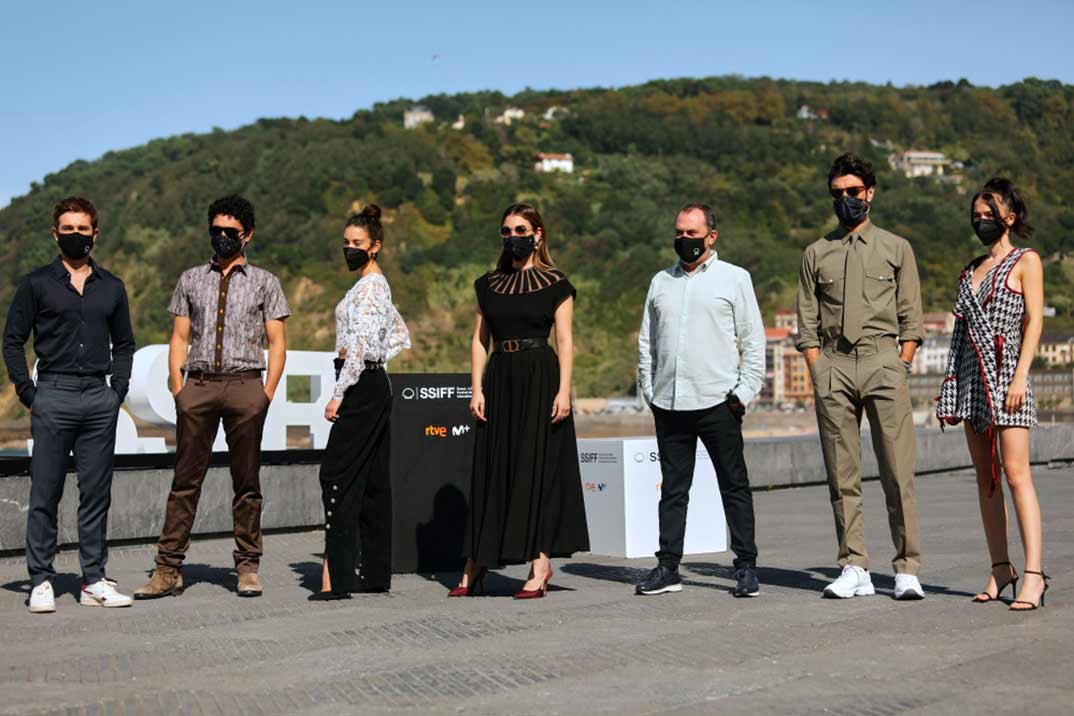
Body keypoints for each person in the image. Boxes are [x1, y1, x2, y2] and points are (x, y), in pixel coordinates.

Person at [134, 195, 290, 600]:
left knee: (247, 482)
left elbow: (277, 342)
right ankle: (168, 568)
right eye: (215, 231)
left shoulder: (265, 282)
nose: (221, 237)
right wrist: (178, 386)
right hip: (198, 386)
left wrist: (265, 393)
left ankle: (248, 566)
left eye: (230, 232)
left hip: (245, 388)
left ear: (247, 236)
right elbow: (180, 336)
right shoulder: (190, 279)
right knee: (185, 480)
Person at [796, 153, 926, 600]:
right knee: (841, 475)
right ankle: (854, 566)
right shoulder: (816, 252)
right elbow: (806, 322)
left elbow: (912, 317)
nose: (846, 200)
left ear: (870, 193)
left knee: (897, 470)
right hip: (834, 365)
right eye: (838, 194)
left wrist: (901, 362)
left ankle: (907, 567)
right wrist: (818, 368)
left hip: (883, 363)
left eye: (853, 192)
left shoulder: (896, 248)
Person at [3, 196, 136, 613]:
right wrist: (29, 391)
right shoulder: (37, 283)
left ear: (95, 234)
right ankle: (40, 579)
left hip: (99, 398)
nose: (75, 235)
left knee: (96, 494)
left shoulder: (112, 287)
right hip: (53, 395)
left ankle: (93, 578)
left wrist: (117, 390)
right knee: (46, 490)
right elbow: (12, 341)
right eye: (68, 229)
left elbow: (125, 344)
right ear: (55, 232)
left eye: (83, 229)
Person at [452, 203, 590, 599]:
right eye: (506, 230)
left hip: (539, 375)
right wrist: (476, 388)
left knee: (538, 467)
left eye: (520, 229)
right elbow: (480, 340)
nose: (513, 236)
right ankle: (476, 560)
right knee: (493, 466)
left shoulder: (556, 282)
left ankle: (540, 563)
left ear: (538, 234)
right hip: (500, 376)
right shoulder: (488, 284)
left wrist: (564, 391)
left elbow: (565, 340)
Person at [634, 203, 766, 598]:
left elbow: (753, 342)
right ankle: (668, 568)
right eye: (679, 232)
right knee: (673, 490)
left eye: (692, 233)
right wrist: (650, 389)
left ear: (711, 236)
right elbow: (647, 342)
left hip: (718, 403)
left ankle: (745, 567)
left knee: (734, 486)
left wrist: (742, 395)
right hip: (670, 404)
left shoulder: (735, 279)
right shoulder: (660, 282)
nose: (684, 240)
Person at [937, 178, 1049, 610]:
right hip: (970, 381)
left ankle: (1035, 574)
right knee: (987, 481)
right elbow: (959, 336)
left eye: (990, 214)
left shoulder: (1027, 261)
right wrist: (951, 389)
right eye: (976, 215)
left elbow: (1035, 322)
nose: (982, 221)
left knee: (1017, 474)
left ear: (1011, 216)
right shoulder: (970, 270)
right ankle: (1000, 567)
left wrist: (1021, 376)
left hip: (1007, 377)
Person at [309, 205, 410, 601]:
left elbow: (363, 345)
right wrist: (377, 362)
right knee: (371, 480)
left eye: (357, 243)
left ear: (376, 247)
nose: (349, 249)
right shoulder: (373, 287)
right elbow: (400, 332)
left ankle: (338, 578)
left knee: (336, 475)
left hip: (361, 384)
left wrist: (339, 393)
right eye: (346, 242)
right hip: (371, 381)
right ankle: (373, 573)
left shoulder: (370, 287)